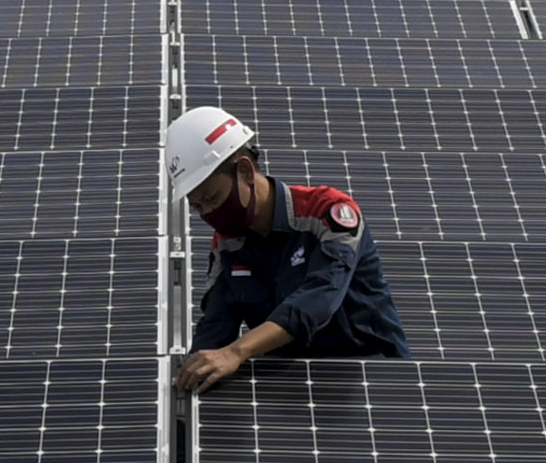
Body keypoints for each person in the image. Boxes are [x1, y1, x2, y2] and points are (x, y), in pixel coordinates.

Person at [163, 105, 409, 391]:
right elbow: (216, 325)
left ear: (245, 171)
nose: (208, 212)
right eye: (197, 207)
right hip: (293, 388)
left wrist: (237, 352)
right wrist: (189, 376)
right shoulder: (228, 246)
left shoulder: (326, 212)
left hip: (371, 378)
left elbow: (316, 301)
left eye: (212, 198)